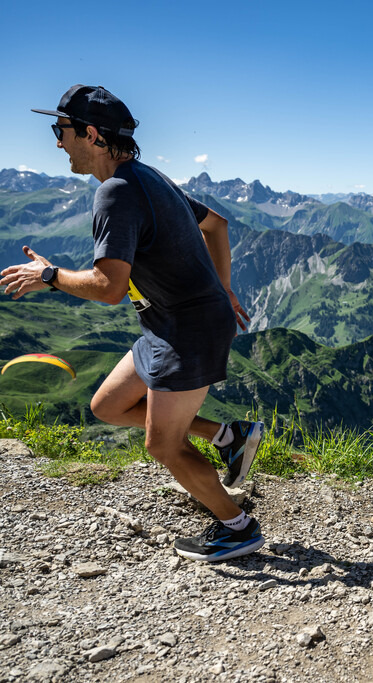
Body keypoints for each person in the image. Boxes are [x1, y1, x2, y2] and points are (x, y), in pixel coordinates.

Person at [1, 85, 265, 562]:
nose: (57, 141)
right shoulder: (147, 177)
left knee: (161, 444)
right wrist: (221, 287)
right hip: (166, 325)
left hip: (185, 333)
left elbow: (108, 288)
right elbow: (218, 224)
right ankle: (231, 437)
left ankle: (237, 526)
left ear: (92, 134)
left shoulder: (116, 193)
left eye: (60, 130)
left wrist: (49, 274)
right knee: (107, 406)